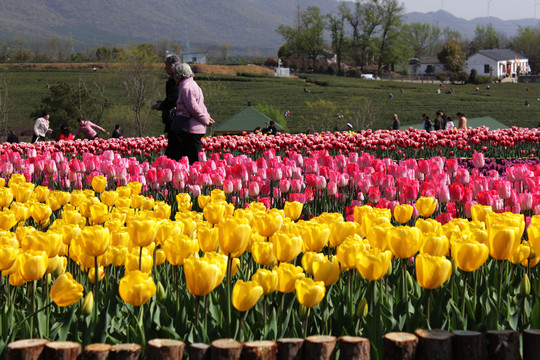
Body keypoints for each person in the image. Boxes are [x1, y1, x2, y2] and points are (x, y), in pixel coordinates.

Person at [167, 62, 214, 164]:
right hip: (195, 128)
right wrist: (207, 116)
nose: (173, 77)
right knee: (188, 158)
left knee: (192, 161)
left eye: (174, 74)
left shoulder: (186, 88)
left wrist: (205, 119)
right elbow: (201, 105)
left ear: (179, 75)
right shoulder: (194, 85)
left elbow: (193, 108)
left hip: (190, 129)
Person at [152, 54, 180, 137]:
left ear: (172, 66)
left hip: (174, 118)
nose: (165, 68)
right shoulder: (180, 79)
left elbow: (173, 99)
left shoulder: (174, 80)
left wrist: (161, 105)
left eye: (166, 65)